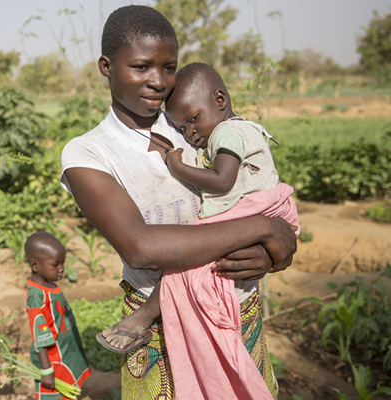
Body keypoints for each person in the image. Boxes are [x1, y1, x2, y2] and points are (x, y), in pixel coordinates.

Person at [60, 5, 297, 399]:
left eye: (168, 68)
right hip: (158, 331)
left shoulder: (194, 122)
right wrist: (262, 229)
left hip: (237, 307)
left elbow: (255, 193)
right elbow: (141, 247)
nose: (158, 81)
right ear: (107, 66)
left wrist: (269, 254)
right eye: (141, 67)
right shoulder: (89, 152)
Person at [159, 62, 300, 399]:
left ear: (220, 100)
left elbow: (223, 182)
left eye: (194, 119)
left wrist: (177, 166)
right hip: (265, 211)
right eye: (182, 127)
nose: (191, 133)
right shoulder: (233, 130)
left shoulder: (226, 133)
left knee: (188, 257)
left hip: (257, 209)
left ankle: (153, 312)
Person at [25, 231, 91, 399]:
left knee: (68, 390)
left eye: (63, 263)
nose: (61, 269)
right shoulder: (37, 298)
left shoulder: (49, 285)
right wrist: (47, 370)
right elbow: (40, 337)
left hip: (64, 349)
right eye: (56, 265)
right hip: (53, 359)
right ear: (34, 265)